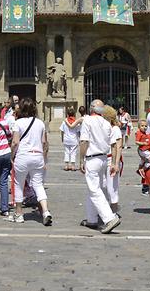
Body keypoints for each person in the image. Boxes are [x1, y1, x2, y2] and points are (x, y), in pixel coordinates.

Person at [78, 99, 120, 233]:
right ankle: (92, 219)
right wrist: (113, 162)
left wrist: (81, 159)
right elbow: (113, 145)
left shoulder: (87, 121)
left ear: (91, 109)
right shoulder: (107, 123)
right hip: (103, 159)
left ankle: (109, 218)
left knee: (95, 189)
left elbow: (84, 141)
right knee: (95, 189)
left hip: (92, 159)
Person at [9, 98, 51, 225]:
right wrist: (43, 159)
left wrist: (11, 155)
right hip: (37, 156)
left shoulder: (18, 123)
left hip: (22, 156)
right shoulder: (40, 123)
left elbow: (15, 142)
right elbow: (44, 143)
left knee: (18, 184)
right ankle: (45, 211)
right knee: (38, 185)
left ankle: (19, 213)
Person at [103, 105, 124, 217]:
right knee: (106, 186)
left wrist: (115, 164)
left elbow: (119, 146)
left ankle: (114, 211)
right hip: (107, 159)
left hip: (113, 159)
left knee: (112, 187)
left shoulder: (115, 129)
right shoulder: (107, 128)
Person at [59, 106, 80, 171]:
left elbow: (62, 131)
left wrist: (62, 138)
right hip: (74, 139)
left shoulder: (64, 122)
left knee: (66, 152)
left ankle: (66, 165)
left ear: (67, 114)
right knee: (73, 152)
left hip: (66, 139)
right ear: (74, 114)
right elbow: (78, 132)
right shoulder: (76, 122)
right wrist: (79, 139)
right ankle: (73, 166)